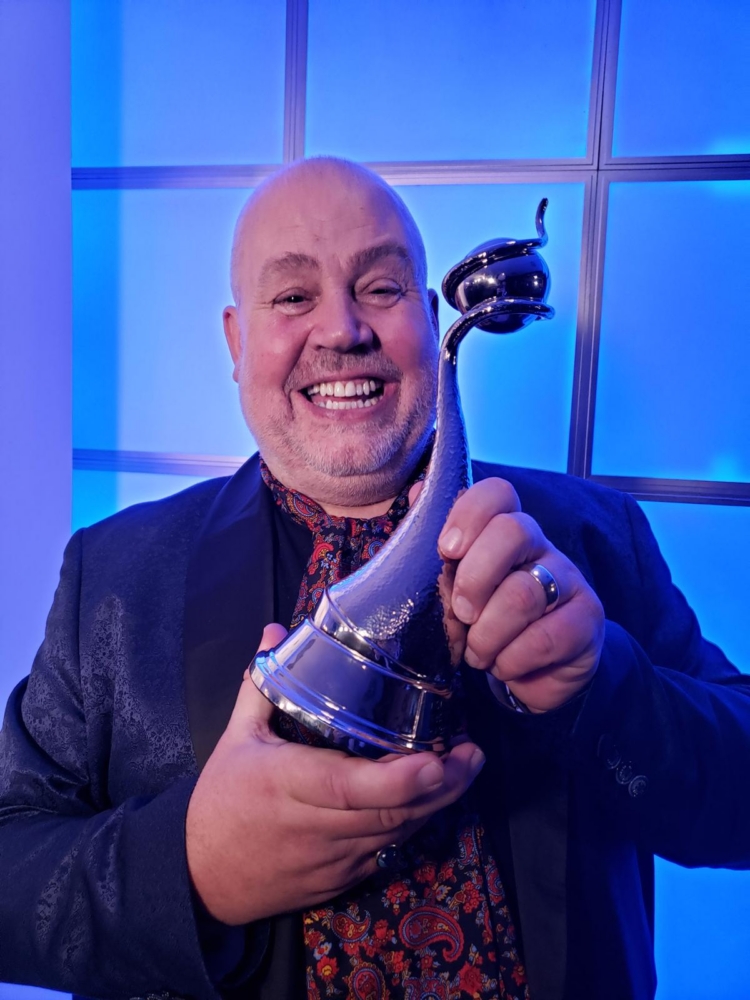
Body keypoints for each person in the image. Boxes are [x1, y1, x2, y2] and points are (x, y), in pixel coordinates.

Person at [0, 156, 748, 1000]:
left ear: (431, 319)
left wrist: (603, 686)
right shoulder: (112, 576)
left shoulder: (597, 538)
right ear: (237, 343)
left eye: (382, 288)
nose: (342, 330)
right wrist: (193, 870)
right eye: (293, 296)